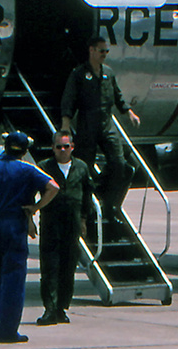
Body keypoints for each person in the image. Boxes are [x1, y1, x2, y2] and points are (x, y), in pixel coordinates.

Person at [0, 131, 58, 344]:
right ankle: (8, 331)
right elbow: (53, 187)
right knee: (13, 279)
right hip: (15, 226)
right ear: (25, 150)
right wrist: (35, 208)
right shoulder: (28, 169)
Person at [60, 38, 140, 231]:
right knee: (84, 168)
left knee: (120, 164)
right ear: (92, 50)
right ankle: (85, 212)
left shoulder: (109, 74)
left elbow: (118, 96)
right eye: (102, 51)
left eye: (106, 52)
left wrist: (129, 112)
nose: (104, 54)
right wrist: (66, 123)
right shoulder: (79, 74)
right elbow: (69, 98)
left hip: (107, 122)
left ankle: (109, 203)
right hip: (88, 122)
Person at [36, 130, 92, 325]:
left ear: (72, 147)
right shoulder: (44, 167)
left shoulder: (82, 168)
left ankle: (62, 308)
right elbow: (32, 190)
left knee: (68, 268)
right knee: (50, 267)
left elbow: (87, 196)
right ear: (53, 148)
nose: (62, 150)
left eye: (66, 146)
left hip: (73, 223)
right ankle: (49, 308)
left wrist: (84, 220)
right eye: (58, 146)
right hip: (51, 223)